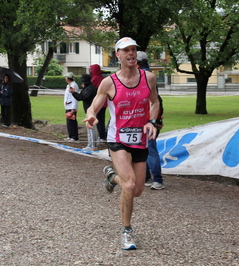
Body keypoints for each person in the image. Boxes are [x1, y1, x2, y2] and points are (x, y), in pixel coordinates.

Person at [83, 37, 160, 250]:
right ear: (117, 55)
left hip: (140, 140)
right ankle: (127, 231)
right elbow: (93, 106)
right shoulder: (109, 83)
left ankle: (111, 176)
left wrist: (152, 121)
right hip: (117, 139)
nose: (131, 53)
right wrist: (91, 116)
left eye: (134, 49)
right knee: (130, 184)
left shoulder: (149, 78)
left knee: (137, 190)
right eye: (126, 50)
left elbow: (155, 102)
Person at [136, 51, 165, 190]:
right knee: (145, 148)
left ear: (138, 62)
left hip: (146, 118)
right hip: (149, 117)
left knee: (149, 148)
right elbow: (158, 100)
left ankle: (157, 179)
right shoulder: (149, 75)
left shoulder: (142, 76)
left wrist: (155, 119)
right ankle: (147, 177)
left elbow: (154, 100)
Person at [70, 74, 97, 150]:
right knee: (92, 127)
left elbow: (82, 97)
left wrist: (73, 92)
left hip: (90, 110)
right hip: (89, 109)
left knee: (90, 127)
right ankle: (93, 144)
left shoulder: (90, 88)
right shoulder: (88, 88)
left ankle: (92, 145)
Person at [90, 64, 107, 141]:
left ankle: (102, 136)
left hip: (99, 102)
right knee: (101, 119)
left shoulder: (95, 78)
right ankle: (102, 135)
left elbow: (92, 89)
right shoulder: (102, 78)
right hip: (105, 102)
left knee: (98, 119)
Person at [64, 72, 79, 141]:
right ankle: (70, 135)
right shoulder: (69, 85)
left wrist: (73, 108)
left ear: (67, 78)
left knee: (72, 122)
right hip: (68, 106)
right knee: (69, 122)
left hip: (71, 106)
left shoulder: (73, 85)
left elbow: (74, 97)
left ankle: (74, 136)